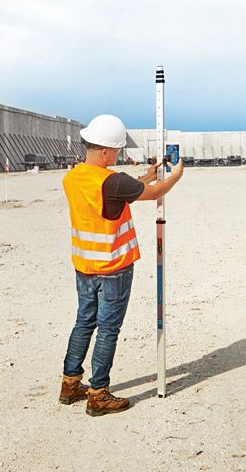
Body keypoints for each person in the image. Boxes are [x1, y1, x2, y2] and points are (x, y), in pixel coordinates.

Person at [59, 114, 184, 416]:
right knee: (108, 330)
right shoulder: (112, 180)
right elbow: (148, 193)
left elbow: (122, 192)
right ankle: (98, 393)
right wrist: (174, 175)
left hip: (85, 266)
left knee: (84, 322)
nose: (116, 156)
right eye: (115, 151)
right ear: (104, 151)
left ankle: (70, 383)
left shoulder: (73, 177)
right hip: (114, 266)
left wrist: (149, 174)